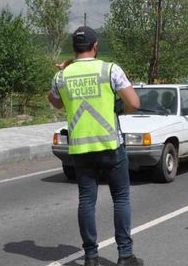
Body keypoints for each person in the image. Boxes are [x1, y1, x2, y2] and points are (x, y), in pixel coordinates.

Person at [48, 26, 144, 266]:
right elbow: (134, 102)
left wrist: (64, 70)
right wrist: (118, 109)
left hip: (81, 150)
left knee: (87, 201)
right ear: (95, 46)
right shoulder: (109, 69)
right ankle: (125, 255)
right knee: (121, 198)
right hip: (111, 146)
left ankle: (90, 257)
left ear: (73, 48)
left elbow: (55, 103)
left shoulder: (62, 76)